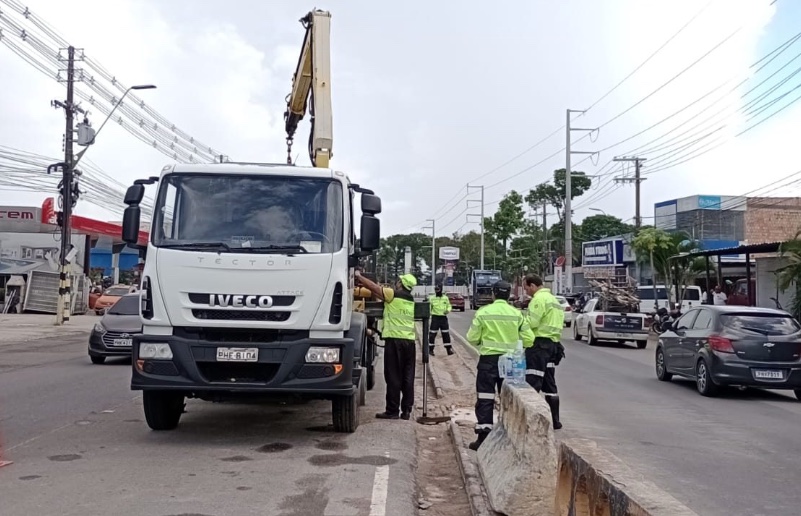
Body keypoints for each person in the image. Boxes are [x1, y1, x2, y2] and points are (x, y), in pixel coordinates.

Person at [466, 280, 534, 450]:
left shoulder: (483, 312)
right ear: (508, 294)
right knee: (508, 398)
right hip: (510, 362)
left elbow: (472, 338)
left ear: (493, 293)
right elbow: (529, 339)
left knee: (485, 398)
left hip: (488, 361)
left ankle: (483, 437)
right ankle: (508, 436)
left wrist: (484, 341)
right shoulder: (517, 314)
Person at [355, 271, 417, 421]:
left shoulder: (392, 295)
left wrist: (359, 276)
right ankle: (407, 411)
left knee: (393, 376)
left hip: (395, 342)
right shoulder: (410, 300)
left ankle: (392, 411)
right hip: (409, 342)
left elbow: (373, 288)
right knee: (408, 377)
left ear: (401, 284)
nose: (396, 283)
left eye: (398, 281)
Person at [523, 275, 566, 430]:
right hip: (553, 346)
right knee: (549, 384)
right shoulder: (554, 300)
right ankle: (556, 421)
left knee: (532, 382)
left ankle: (530, 420)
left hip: (539, 345)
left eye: (526, 288)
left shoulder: (538, 300)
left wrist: (521, 325)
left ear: (533, 285)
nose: (526, 291)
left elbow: (532, 322)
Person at [428, 285, 453, 356]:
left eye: (438, 289)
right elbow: (429, 307)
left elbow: (449, 306)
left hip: (443, 318)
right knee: (432, 334)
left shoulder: (445, 298)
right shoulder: (432, 298)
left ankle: (449, 349)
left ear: (441, 289)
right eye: (435, 289)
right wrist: (429, 314)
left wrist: (448, 310)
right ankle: (431, 350)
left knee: (446, 334)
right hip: (435, 318)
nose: (436, 291)